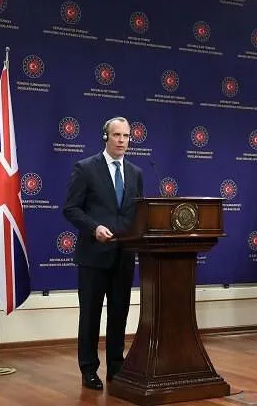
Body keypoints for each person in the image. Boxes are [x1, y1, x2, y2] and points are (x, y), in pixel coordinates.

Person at [63, 116, 143, 390]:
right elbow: (71, 209)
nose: (122, 140)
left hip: (123, 256)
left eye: (126, 136)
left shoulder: (135, 173)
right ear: (105, 137)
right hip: (93, 256)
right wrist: (94, 227)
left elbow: (138, 212)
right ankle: (88, 369)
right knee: (90, 316)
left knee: (119, 314)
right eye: (117, 135)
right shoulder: (85, 168)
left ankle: (116, 367)